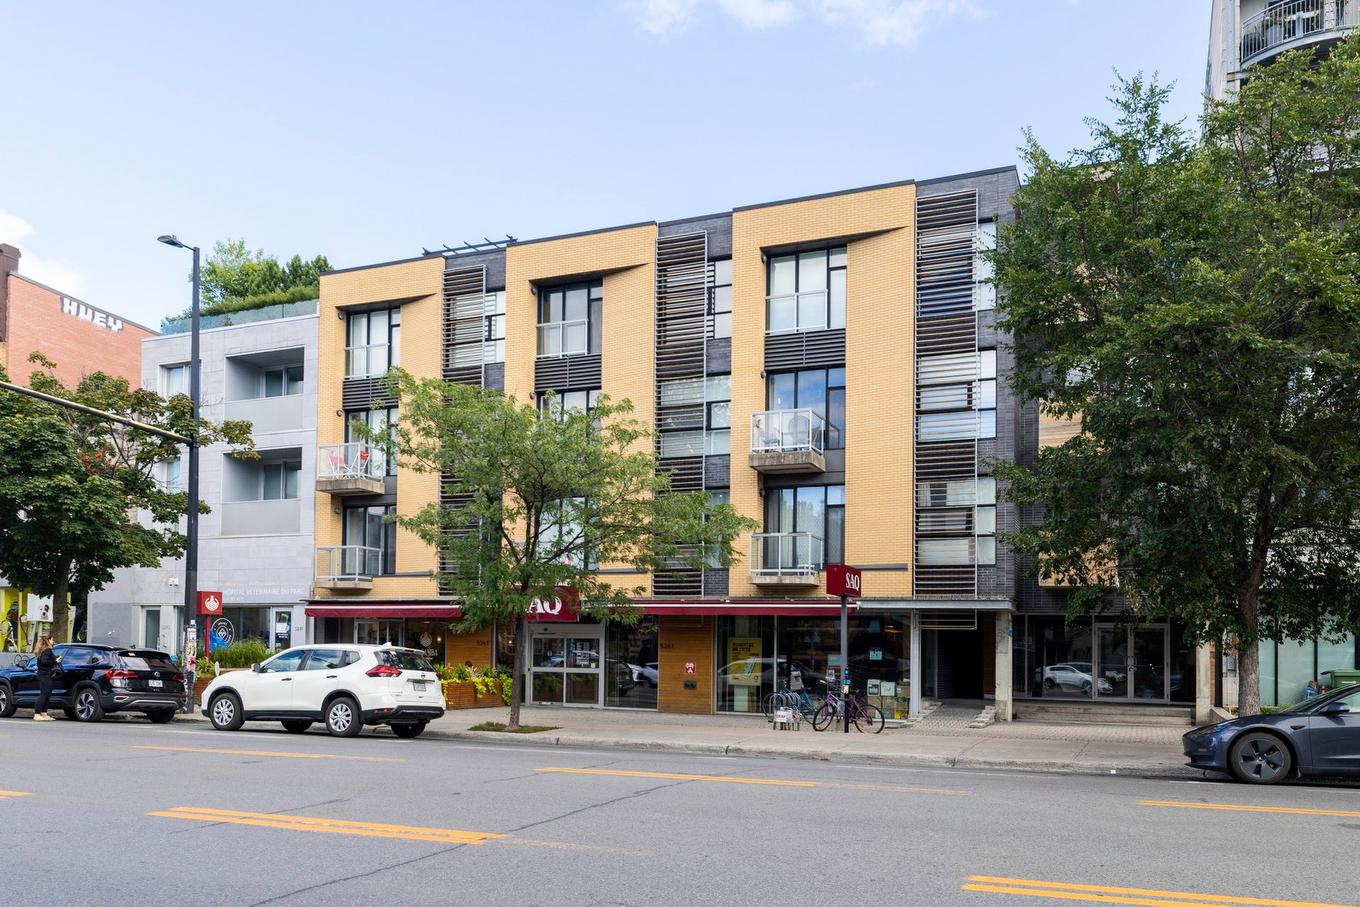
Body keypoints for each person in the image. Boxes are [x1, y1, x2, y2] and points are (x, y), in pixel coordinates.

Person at [33, 635, 60, 721]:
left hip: (45, 674)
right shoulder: (47, 650)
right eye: (52, 640)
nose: (53, 641)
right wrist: (55, 661)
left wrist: (54, 659)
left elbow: (44, 661)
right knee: (44, 694)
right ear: (48, 640)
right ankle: (37, 714)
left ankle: (44, 713)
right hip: (45, 675)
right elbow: (44, 661)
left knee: (47, 694)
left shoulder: (44, 650)